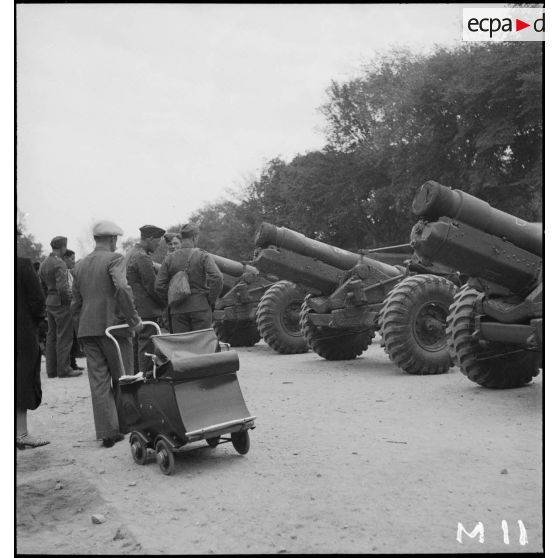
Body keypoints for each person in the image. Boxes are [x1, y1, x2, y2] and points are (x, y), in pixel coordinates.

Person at [71, 221, 142, 448]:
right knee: (124, 377)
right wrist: (133, 320)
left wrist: (80, 332)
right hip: (114, 329)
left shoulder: (79, 265)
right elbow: (122, 288)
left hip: (87, 329)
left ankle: (107, 431)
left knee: (98, 381)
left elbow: (75, 304)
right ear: (112, 239)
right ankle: (127, 425)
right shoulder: (115, 259)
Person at [155, 223, 223, 333]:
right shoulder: (202, 255)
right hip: (200, 307)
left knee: (182, 343)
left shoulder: (169, 258)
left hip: (178, 310)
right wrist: (210, 299)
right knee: (202, 342)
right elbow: (217, 277)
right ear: (195, 237)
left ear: (182, 237)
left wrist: (172, 299)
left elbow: (159, 286)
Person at [17, 246, 50, 449]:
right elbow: (38, 300)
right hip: (21, 332)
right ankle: (21, 433)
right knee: (22, 380)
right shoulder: (22, 265)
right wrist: (37, 325)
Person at [38, 236, 81, 378]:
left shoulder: (44, 263)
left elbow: (42, 285)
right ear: (62, 247)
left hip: (50, 302)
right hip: (61, 303)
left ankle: (51, 370)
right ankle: (64, 369)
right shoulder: (60, 263)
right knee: (65, 337)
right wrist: (69, 303)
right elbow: (63, 288)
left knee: (51, 337)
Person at [126, 225, 166, 372]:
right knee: (146, 346)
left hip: (134, 308)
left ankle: (137, 376)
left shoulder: (131, 253)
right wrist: (165, 303)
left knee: (136, 345)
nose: (158, 245)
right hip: (146, 310)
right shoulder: (142, 257)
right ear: (150, 238)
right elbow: (152, 286)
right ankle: (145, 377)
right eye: (157, 241)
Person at [63, 249, 85, 371]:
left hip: (74, 307)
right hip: (68, 307)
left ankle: (73, 362)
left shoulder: (72, 272)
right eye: (72, 259)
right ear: (65, 259)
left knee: (74, 336)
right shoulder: (64, 272)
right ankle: (70, 363)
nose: (73, 261)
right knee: (69, 336)